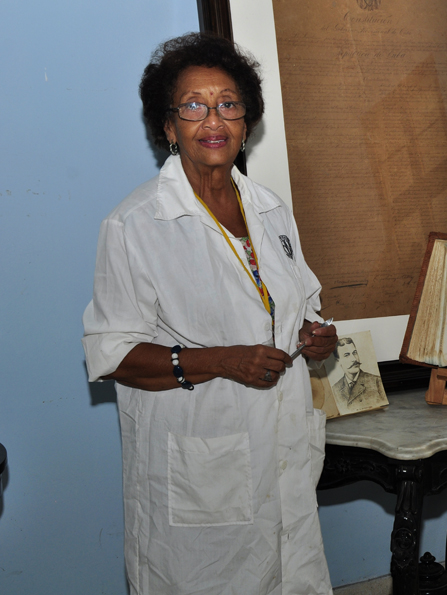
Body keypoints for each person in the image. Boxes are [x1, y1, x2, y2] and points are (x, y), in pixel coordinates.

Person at [82, 33, 337, 595]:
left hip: (281, 454)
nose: (213, 119)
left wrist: (316, 336)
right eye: (193, 106)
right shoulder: (135, 224)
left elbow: (299, 303)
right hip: (200, 473)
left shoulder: (271, 211)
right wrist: (222, 361)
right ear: (168, 127)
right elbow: (113, 353)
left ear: (247, 122)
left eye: (228, 103)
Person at [331, 337, 384, 407]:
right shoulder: (335, 389)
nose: (354, 359)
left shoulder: (376, 381)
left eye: (354, 353)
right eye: (347, 355)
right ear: (338, 361)